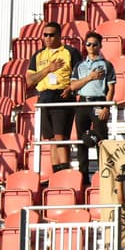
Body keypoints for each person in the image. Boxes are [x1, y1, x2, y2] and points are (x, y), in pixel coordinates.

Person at [26, 21, 81, 171]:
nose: (48, 38)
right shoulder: (38, 55)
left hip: (62, 95)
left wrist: (71, 88)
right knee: (50, 139)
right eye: (45, 35)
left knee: (60, 137)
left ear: (59, 35)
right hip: (44, 97)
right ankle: (56, 172)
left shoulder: (70, 52)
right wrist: (48, 70)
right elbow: (30, 80)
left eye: (51, 35)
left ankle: (64, 170)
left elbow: (80, 74)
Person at [70, 31, 115, 186]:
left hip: (98, 102)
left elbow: (111, 88)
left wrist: (106, 107)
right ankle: (83, 177)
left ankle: (103, 173)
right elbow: (73, 85)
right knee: (82, 139)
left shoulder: (107, 65)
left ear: (100, 46)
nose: (91, 47)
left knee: (100, 138)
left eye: (94, 44)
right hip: (82, 102)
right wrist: (90, 77)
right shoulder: (80, 66)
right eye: (88, 44)